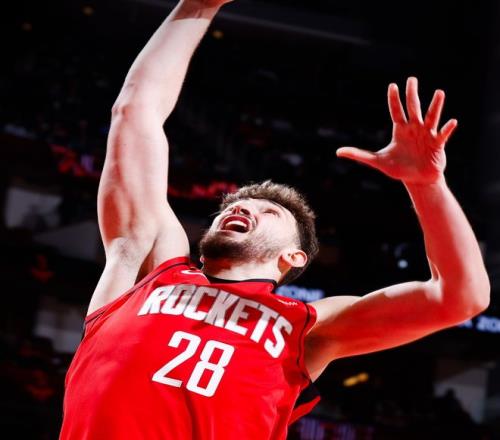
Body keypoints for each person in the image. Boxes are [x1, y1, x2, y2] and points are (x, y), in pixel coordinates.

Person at [59, 0, 490, 439]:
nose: (241, 208)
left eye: (269, 212)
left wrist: (426, 186)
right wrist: (198, 6)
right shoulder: (149, 267)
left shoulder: (309, 327)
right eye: (233, 206)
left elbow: (461, 298)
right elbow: (135, 112)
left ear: (294, 256)